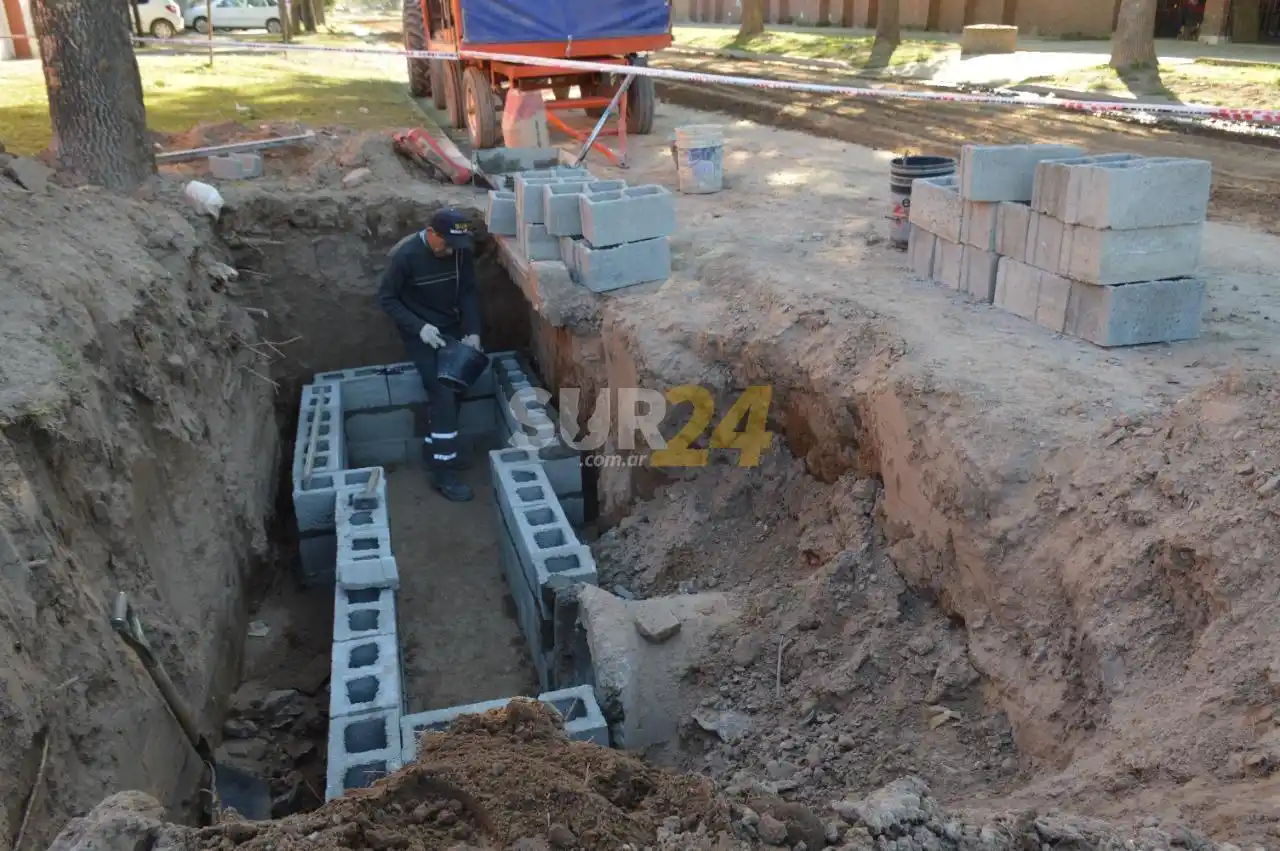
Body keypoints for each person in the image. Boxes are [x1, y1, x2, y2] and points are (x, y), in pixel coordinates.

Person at [379, 208, 482, 503]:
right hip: (421, 335)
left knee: (459, 388)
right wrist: (419, 327)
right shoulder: (407, 256)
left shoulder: (459, 253)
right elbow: (387, 298)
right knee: (443, 393)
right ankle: (444, 473)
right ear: (432, 233)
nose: (451, 251)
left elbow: (469, 292)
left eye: (456, 246)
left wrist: (473, 331)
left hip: (450, 329)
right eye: (446, 243)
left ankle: (434, 449)